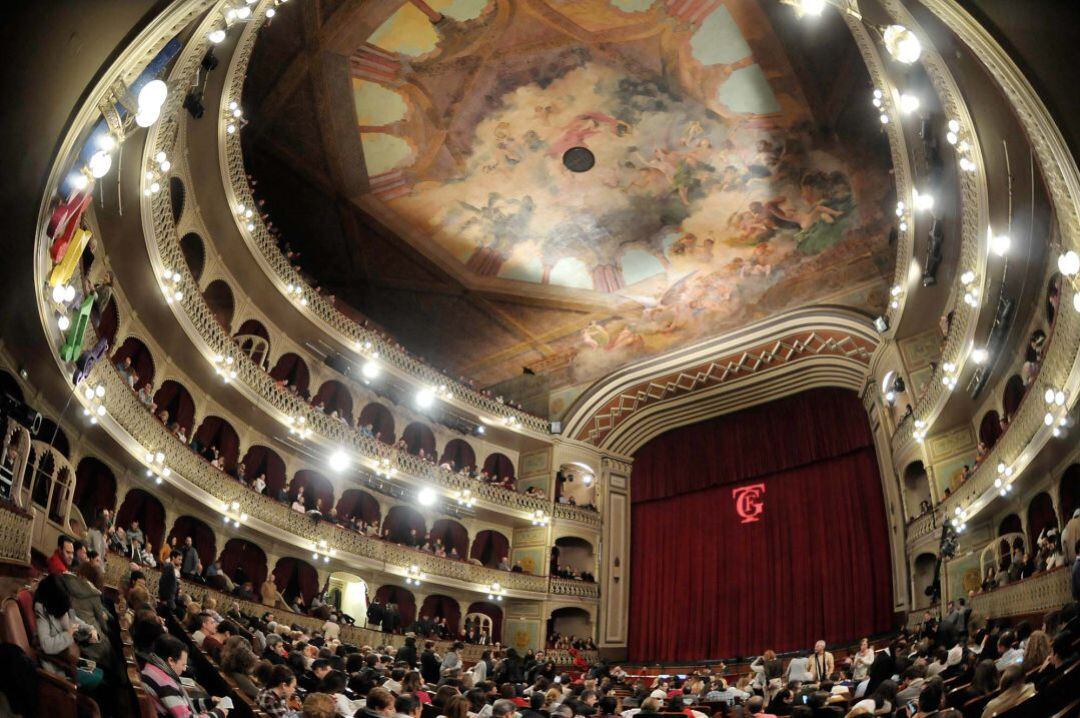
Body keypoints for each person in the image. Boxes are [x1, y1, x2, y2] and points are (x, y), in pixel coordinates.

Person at [141, 634, 229, 717]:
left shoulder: (152, 668)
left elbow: (180, 704)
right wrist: (218, 713)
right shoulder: (165, 685)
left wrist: (209, 702)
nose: (184, 669)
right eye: (183, 665)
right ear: (171, 661)